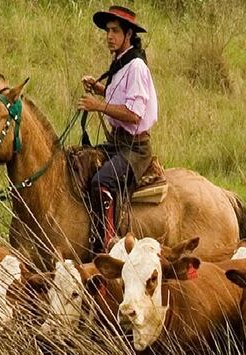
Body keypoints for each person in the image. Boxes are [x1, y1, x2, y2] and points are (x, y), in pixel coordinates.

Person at [77, 5, 158, 251]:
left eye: (114, 31)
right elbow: (124, 98)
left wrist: (98, 106)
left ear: (128, 34)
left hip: (134, 148)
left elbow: (134, 114)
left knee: (102, 182)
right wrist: (101, 90)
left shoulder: (136, 67)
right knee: (79, 161)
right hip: (117, 142)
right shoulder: (121, 62)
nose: (109, 36)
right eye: (107, 31)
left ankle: (108, 244)